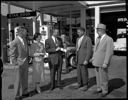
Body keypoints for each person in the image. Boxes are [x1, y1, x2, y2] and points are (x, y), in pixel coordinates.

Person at [90, 23, 114, 97]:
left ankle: (105, 91)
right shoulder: (97, 38)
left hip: (103, 62)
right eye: (97, 30)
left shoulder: (109, 39)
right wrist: (93, 58)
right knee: (98, 76)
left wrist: (106, 62)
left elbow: (109, 52)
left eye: (98, 30)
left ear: (102, 30)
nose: (97, 32)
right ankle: (99, 88)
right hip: (96, 61)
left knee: (104, 77)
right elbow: (95, 50)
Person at [9, 26, 30, 99]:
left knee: (25, 78)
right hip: (18, 63)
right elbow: (12, 54)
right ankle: (17, 95)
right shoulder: (15, 41)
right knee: (17, 80)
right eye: (25, 32)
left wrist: (28, 57)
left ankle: (25, 92)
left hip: (25, 62)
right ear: (21, 32)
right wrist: (15, 63)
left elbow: (26, 50)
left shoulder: (24, 39)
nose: (26, 33)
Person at [74, 27, 92, 91]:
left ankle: (85, 85)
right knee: (78, 72)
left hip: (84, 59)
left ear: (83, 32)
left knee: (84, 72)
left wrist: (87, 59)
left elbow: (89, 50)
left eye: (78, 32)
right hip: (78, 59)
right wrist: (76, 58)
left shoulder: (87, 39)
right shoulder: (77, 39)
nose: (77, 33)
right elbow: (77, 49)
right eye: (77, 32)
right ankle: (79, 83)